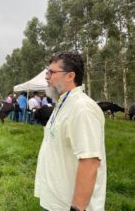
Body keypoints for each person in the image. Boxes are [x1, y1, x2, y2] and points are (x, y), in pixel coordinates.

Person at [34, 52, 106, 211]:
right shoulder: (62, 103)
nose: (47, 77)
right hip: (57, 200)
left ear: (70, 76)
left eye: (51, 72)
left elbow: (90, 162)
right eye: (47, 72)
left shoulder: (82, 109)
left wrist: (77, 208)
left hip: (69, 206)